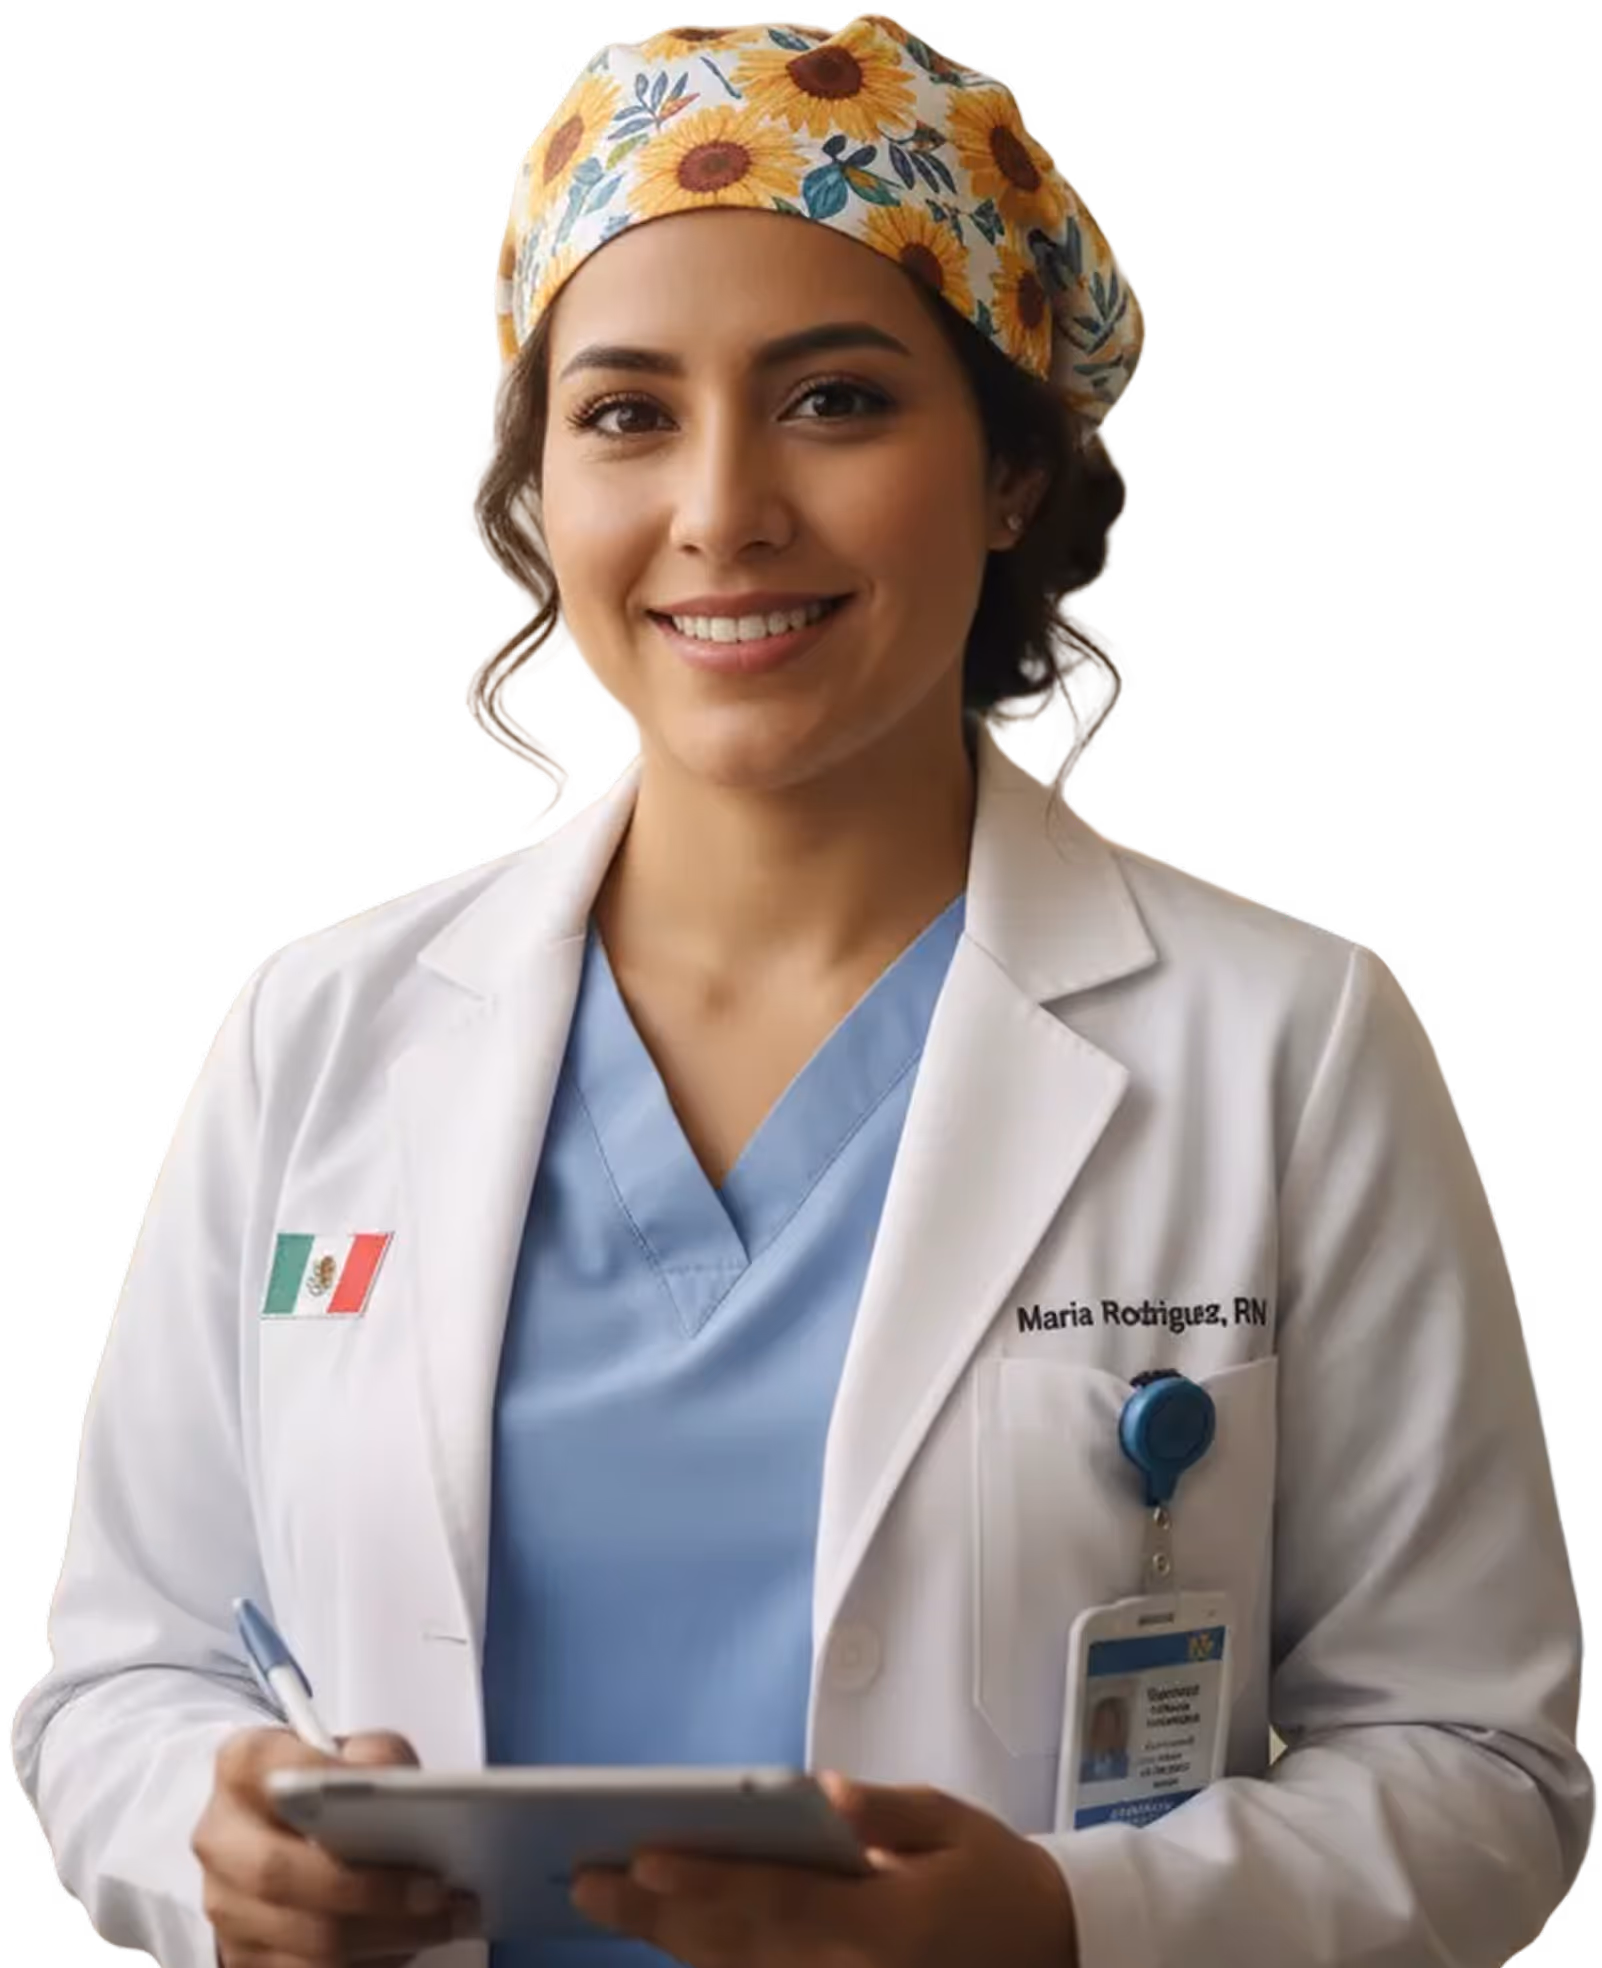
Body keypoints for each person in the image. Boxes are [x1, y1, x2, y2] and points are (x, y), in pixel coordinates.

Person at [10, 15, 1594, 1968]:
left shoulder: (1286, 1042)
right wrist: (209, 1856)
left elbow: (1475, 1767)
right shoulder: (317, 1030)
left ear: (1012, 470)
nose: (721, 511)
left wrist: (1068, 1925)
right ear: (534, 496)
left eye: (835, 400)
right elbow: (121, 1685)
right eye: (625, 413)